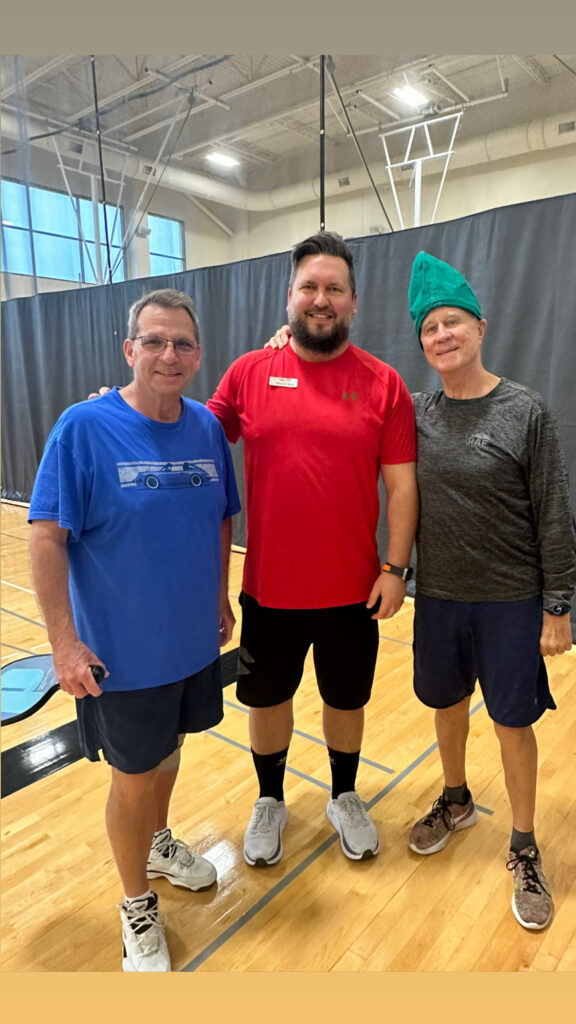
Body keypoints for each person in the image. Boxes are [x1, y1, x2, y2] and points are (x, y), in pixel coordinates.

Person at [29, 289, 241, 971]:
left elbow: (219, 517)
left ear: (198, 355)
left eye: (181, 343)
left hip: (189, 644)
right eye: (153, 341)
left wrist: (219, 597)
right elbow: (46, 536)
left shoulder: (207, 428)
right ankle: (134, 904)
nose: (168, 354)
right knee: (131, 777)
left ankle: (158, 842)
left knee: (169, 754)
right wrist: (65, 643)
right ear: (129, 350)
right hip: (120, 657)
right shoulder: (82, 428)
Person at [207, 231, 418, 866]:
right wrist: (124, 413)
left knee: (345, 700)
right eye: (309, 287)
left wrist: (395, 569)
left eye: (334, 289)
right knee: (266, 700)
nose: (320, 298)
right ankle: (270, 799)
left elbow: (403, 486)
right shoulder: (249, 372)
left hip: (355, 589)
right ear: (290, 297)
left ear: (354, 302)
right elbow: (189, 437)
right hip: (269, 587)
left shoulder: (385, 384)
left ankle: (345, 794)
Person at [407, 251, 575, 931]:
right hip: (440, 598)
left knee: (512, 722)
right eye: (429, 327)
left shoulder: (525, 411)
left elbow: (554, 514)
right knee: (446, 706)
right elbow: (342, 403)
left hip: (510, 601)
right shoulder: (413, 412)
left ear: (480, 328)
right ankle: (455, 799)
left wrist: (558, 606)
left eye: (453, 323)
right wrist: (284, 349)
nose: (441, 335)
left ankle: (525, 845)